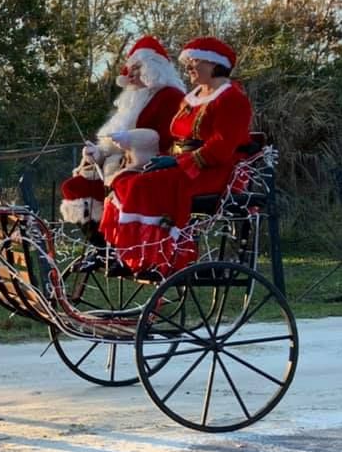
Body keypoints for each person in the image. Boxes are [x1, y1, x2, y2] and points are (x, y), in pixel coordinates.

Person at [99, 36, 253, 274]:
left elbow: (222, 146)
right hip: (183, 165)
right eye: (188, 62)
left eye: (195, 61)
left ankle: (158, 254)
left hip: (212, 171)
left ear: (213, 64)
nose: (189, 67)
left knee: (145, 185)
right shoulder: (192, 98)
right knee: (124, 180)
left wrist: (178, 162)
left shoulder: (231, 98)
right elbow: (177, 138)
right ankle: (131, 253)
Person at [59, 35, 185, 235]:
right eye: (130, 69)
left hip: (146, 165)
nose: (130, 74)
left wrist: (132, 142)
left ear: (153, 69)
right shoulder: (132, 98)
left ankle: (117, 244)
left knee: (122, 187)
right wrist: (97, 153)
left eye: (137, 69)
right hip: (115, 165)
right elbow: (112, 142)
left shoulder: (170, 96)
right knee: (74, 186)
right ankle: (100, 245)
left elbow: (165, 139)